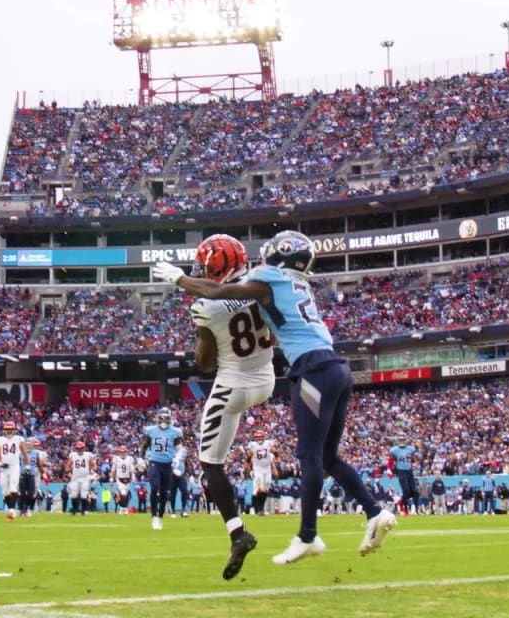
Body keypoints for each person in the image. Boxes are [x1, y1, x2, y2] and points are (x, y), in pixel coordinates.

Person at [154, 229, 396, 564]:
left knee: (293, 456)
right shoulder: (287, 281)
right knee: (328, 457)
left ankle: (298, 536)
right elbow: (237, 292)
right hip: (296, 373)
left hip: (282, 374)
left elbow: (210, 337)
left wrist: (180, 279)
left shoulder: (259, 281)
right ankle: (373, 511)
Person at [184, 233, 278, 577]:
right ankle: (239, 534)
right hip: (266, 379)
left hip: (233, 384)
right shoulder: (264, 285)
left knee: (210, 463)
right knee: (216, 455)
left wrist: (201, 339)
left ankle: (238, 533)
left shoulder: (207, 305)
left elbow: (205, 364)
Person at [141, 407, 183, 531]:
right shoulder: (151, 430)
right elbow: (144, 445)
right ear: (158, 417)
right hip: (155, 462)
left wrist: (177, 458)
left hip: (168, 464)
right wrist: (141, 459)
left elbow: (180, 448)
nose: (164, 420)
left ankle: (160, 516)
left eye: (166, 418)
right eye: (162, 417)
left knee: (165, 492)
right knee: (154, 488)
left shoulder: (175, 431)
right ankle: (153, 516)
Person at [0, 420, 28, 520]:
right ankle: (11, 510)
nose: (9, 431)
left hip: (14, 466)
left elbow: (25, 453)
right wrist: (0, 463)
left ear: (14, 430)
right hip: (4, 468)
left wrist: (27, 466)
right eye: (7, 429)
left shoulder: (18, 439)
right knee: (5, 492)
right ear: (4, 430)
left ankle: (12, 511)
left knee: (13, 488)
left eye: (11, 429)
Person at [247, 430, 277, 517]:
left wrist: (276, 453)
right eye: (257, 437)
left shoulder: (268, 443)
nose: (259, 439)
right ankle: (259, 508)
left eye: (260, 437)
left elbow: (274, 451)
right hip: (257, 469)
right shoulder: (252, 445)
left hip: (267, 469)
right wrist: (248, 465)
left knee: (266, 488)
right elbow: (249, 456)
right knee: (259, 487)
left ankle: (261, 507)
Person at [20, 437, 48, 517]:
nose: (28, 447)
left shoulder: (35, 453)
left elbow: (39, 464)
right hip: (22, 474)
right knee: (22, 493)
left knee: (31, 493)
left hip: (31, 474)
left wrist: (44, 473)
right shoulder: (20, 453)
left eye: (29, 445)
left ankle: (26, 508)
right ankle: (23, 510)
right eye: (27, 445)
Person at [390, 436, 418, 515]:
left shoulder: (410, 449)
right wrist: (390, 470)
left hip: (409, 470)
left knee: (413, 491)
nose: (402, 441)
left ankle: (401, 502)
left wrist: (414, 462)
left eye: (403, 439)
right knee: (406, 490)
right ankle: (405, 509)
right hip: (401, 471)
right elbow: (391, 460)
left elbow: (412, 457)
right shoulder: (395, 450)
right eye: (400, 440)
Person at [66, 440, 96, 515]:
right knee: (74, 494)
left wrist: (94, 469)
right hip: (75, 477)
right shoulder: (72, 455)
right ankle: (74, 510)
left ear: (83, 448)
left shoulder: (88, 455)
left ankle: (83, 511)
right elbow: (68, 466)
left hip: (85, 477)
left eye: (81, 448)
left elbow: (93, 465)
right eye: (78, 448)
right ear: (76, 448)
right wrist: (68, 471)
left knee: (83, 494)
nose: (79, 450)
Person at [111, 445, 136, 514]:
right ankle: (123, 508)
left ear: (126, 452)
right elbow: (113, 470)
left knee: (126, 494)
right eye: (121, 452)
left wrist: (133, 477)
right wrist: (111, 479)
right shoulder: (116, 459)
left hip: (127, 479)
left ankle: (123, 508)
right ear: (119, 452)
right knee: (123, 493)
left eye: (124, 452)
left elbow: (132, 469)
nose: (122, 453)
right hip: (119, 478)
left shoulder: (130, 458)